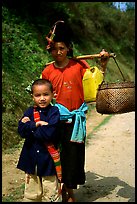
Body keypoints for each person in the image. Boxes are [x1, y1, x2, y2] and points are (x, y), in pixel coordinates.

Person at [42, 21, 110, 202]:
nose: (58, 52)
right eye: (55, 49)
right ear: (51, 50)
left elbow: (96, 82)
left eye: (62, 48)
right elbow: (41, 96)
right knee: (56, 156)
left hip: (75, 120)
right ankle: (59, 190)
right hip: (55, 120)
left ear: (68, 48)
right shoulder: (47, 71)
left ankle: (69, 192)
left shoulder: (79, 66)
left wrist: (103, 63)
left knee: (73, 157)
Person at [17, 79, 62, 202]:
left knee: (51, 194)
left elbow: (49, 134)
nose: (42, 98)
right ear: (32, 97)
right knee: (32, 195)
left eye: (46, 94)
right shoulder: (29, 111)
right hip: (31, 160)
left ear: (53, 94)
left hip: (48, 161)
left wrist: (30, 126)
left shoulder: (54, 112)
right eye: (38, 95)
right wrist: (37, 124)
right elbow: (21, 131)